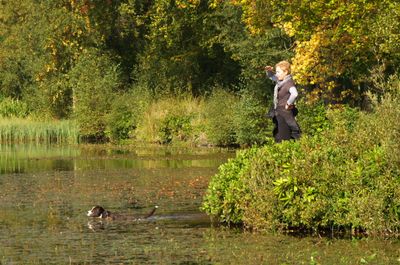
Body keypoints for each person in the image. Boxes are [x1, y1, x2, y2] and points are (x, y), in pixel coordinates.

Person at [265, 61, 301, 143]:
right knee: (278, 138)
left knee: (283, 139)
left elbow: (295, 94)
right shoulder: (281, 82)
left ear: (286, 72)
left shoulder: (289, 83)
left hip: (285, 115)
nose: (276, 74)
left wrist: (288, 103)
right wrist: (269, 71)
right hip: (280, 113)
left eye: (278, 72)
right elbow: (272, 77)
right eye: (276, 72)